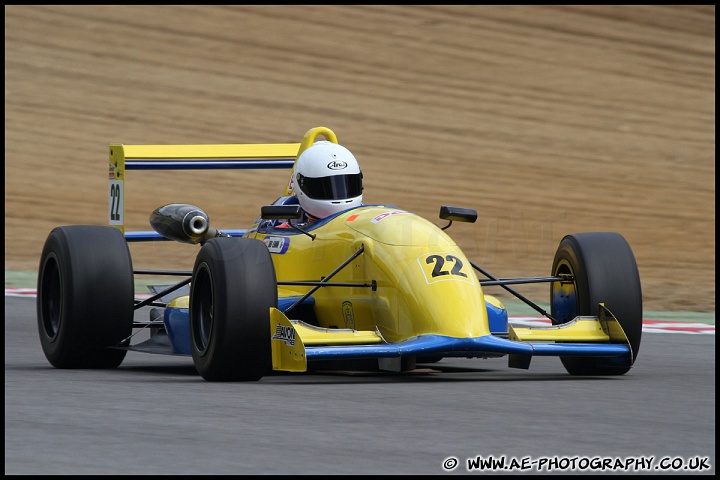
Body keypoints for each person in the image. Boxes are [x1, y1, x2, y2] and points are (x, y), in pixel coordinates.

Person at [275, 140, 363, 228]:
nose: (339, 196)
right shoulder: (285, 229)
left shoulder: (367, 216)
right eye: (325, 189)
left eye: (346, 186)